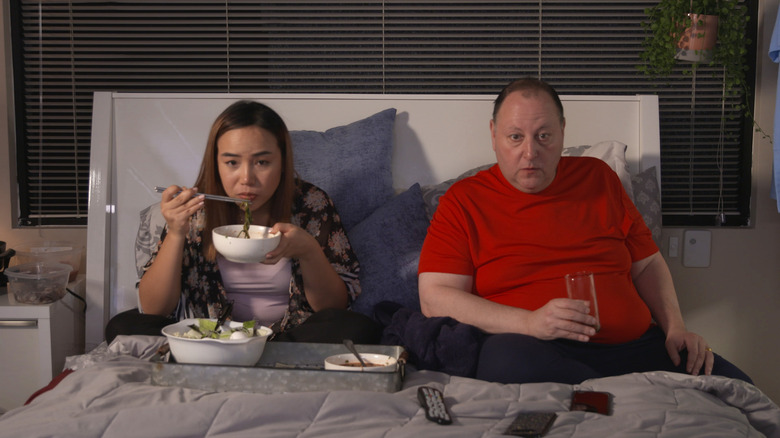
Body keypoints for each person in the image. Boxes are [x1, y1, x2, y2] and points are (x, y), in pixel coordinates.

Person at [417, 77, 752, 384]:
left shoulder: (599, 177)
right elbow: (435, 297)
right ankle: (615, 400)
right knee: (506, 362)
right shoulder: (463, 201)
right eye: (515, 137)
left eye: (544, 136)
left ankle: (610, 396)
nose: (530, 152)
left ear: (562, 132)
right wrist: (531, 323)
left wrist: (675, 327)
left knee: (734, 385)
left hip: (633, 348)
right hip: (535, 348)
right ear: (494, 135)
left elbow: (647, 264)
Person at [105, 100, 381, 345]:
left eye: (262, 162)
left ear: (283, 162)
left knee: (358, 329)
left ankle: (258, 355)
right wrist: (177, 232)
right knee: (123, 327)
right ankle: (240, 357)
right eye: (232, 163)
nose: (246, 178)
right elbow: (154, 309)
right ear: (216, 164)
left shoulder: (311, 203)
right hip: (210, 336)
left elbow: (333, 307)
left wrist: (308, 250)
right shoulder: (196, 209)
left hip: (288, 335)